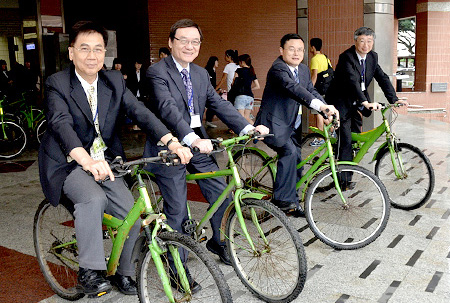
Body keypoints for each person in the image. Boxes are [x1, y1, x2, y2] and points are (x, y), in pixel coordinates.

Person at [38, 21, 192, 297]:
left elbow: (141, 113)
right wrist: (86, 160)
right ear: (71, 52)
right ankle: (89, 270)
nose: (92, 55)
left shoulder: (113, 81)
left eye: (98, 49)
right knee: (93, 199)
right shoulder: (57, 83)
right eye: (84, 48)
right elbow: (61, 124)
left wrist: (171, 141)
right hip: (68, 161)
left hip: (105, 161)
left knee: (132, 213)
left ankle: (124, 272)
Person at [144, 19, 269, 273]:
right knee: (177, 209)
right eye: (183, 40)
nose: (190, 46)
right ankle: (176, 266)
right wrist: (190, 138)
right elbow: (168, 109)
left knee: (220, 194)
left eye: (195, 41)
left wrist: (247, 127)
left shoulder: (200, 74)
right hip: (168, 147)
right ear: (170, 43)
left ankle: (220, 241)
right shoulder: (157, 71)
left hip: (198, 145)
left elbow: (218, 104)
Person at [255, 33, 338, 217]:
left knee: (298, 159)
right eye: (291, 49)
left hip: (293, 123)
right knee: (289, 152)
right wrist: (320, 106)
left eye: (300, 50)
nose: (296, 53)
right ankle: (282, 201)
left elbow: (310, 90)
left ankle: (293, 200)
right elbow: (294, 89)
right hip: (273, 124)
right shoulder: (278, 69)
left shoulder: (303, 69)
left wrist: (325, 108)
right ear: (281, 50)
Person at [325, 27, 408, 186]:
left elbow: (382, 78)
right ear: (355, 41)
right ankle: (344, 180)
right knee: (346, 139)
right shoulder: (346, 57)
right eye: (362, 41)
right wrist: (364, 102)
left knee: (357, 132)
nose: (366, 45)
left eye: (369, 41)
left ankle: (348, 158)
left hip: (357, 100)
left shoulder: (372, 57)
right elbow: (351, 81)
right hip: (341, 101)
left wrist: (394, 99)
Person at [309, 37, 333, 146]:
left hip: (318, 90)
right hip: (327, 90)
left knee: (318, 113)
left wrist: (310, 89)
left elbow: (314, 76)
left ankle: (319, 139)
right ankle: (332, 130)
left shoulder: (315, 59)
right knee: (322, 113)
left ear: (313, 47)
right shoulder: (325, 58)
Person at [233, 54, 260, 124]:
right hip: (250, 97)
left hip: (240, 96)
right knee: (246, 118)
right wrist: (249, 88)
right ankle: (256, 131)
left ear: (242, 61)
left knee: (240, 118)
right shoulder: (252, 72)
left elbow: (233, 83)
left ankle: (243, 133)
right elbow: (258, 86)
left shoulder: (238, 70)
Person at [204, 56, 219, 128]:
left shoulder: (213, 70)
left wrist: (218, 89)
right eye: (217, 61)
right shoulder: (208, 70)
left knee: (211, 106)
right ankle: (208, 121)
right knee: (211, 105)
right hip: (206, 92)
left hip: (211, 91)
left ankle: (208, 121)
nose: (218, 63)